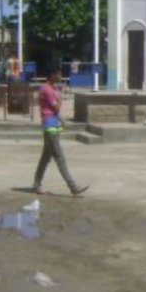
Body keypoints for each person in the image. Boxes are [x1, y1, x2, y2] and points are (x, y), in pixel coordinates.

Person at [32, 67, 89, 197]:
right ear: (52, 75)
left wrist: (61, 118)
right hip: (50, 125)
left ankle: (36, 183)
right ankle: (72, 186)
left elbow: (56, 108)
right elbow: (56, 107)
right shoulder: (47, 89)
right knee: (59, 157)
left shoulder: (53, 89)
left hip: (53, 124)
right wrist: (60, 98)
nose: (60, 76)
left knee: (45, 158)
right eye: (58, 74)